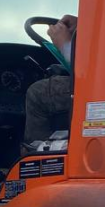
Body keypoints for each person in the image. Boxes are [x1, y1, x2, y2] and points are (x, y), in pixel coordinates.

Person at [24, 13, 76, 147]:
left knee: (38, 92)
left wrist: (65, 45)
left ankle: (37, 151)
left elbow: (88, 73)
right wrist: (81, 26)